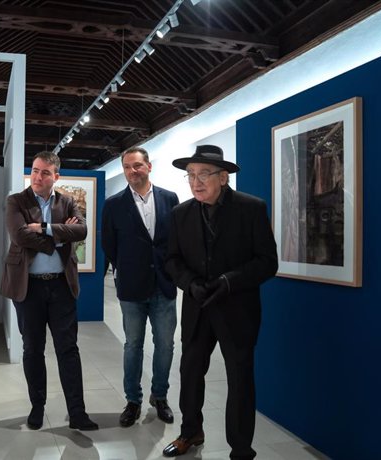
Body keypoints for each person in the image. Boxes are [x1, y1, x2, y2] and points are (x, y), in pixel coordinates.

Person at [161, 145, 278, 459]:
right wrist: (190, 283)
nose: (196, 182)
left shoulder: (251, 208)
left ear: (223, 177)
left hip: (237, 310)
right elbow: (171, 260)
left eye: (203, 174)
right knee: (189, 373)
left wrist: (229, 281)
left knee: (240, 379)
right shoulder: (180, 214)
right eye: (190, 176)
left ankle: (241, 448)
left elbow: (268, 262)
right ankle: (190, 433)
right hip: (197, 309)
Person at [0, 151, 99, 431]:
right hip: (28, 288)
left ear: (56, 176)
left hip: (60, 286)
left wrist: (43, 228)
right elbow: (19, 235)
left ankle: (77, 413)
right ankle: (37, 407)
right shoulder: (16, 201)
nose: (37, 177)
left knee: (68, 349)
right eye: (34, 170)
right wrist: (56, 239)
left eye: (45, 172)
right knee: (33, 349)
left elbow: (81, 231)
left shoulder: (66, 201)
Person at [101, 147, 179, 427]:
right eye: (126, 167)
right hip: (132, 288)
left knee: (166, 346)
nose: (131, 171)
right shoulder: (113, 204)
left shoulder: (170, 199)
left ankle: (160, 396)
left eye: (136, 166)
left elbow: (175, 241)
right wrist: (126, 268)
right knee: (133, 345)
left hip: (164, 286)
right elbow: (108, 245)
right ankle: (132, 400)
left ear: (149, 166)